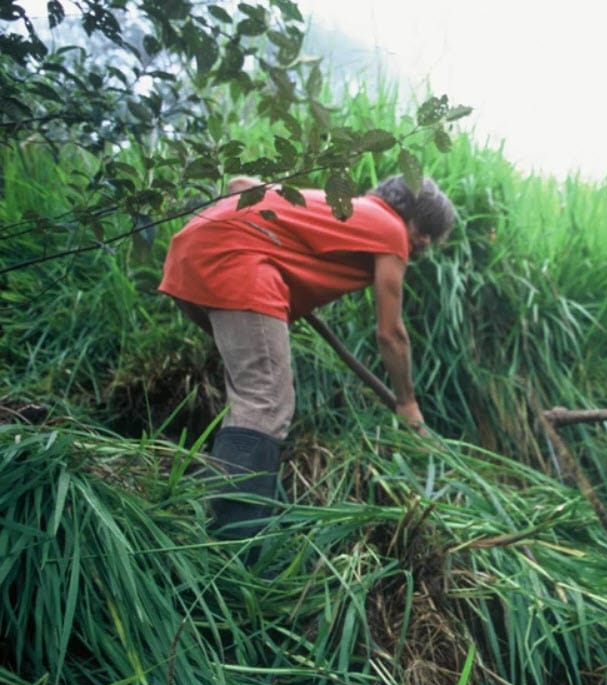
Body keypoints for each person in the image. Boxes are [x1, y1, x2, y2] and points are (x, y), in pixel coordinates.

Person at [159, 174, 456, 555]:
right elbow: (391, 334)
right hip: (237, 263)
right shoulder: (389, 229)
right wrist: (407, 402)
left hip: (191, 254)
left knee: (250, 399)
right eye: (426, 228)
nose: (426, 241)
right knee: (266, 402)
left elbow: (238, 184)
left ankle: (206, 512)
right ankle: (237, 548)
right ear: (408, 215)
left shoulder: (338, 208)